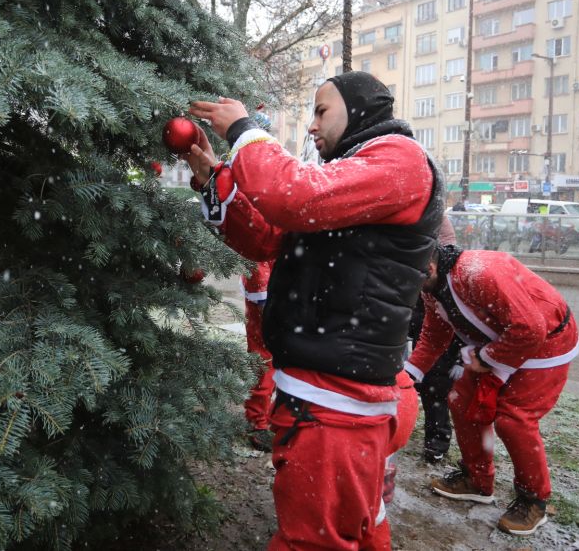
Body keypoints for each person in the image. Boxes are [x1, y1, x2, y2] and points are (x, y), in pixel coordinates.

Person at [186, 71, 443, 551]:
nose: (311, 126)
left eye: (322, 111)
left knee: (311, 541)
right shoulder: (352, 173)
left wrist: (245, 130)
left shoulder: (398, 158)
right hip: (336, 400)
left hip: (337, 407)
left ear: (360, 109)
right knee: (360, 526)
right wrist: (213, 181)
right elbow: (267, 238)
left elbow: (290, 196)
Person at [405, 245, 579, 537]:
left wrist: (487, 360)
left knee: (513, 420)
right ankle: (477, 479)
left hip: (547, 342)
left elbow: (532, 328)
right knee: (461, 401)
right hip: (499, 341)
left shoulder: (478, 273)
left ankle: (533, 499)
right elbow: (435, 335)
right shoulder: (430, 286)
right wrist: (409, 375)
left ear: (430, 269)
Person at [407, 216, 463, 464]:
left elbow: (444, 252)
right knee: (416, 368)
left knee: (435, 377)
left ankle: (437, 440)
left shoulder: (433, 214)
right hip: (412, 296)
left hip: (430, 292)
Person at [241, 260, 276, 451]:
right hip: (266, 295)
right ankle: (257, 423)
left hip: (284, 288)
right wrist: (262, 297)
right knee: (264, 359)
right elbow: (256, 253)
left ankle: (271, 416)